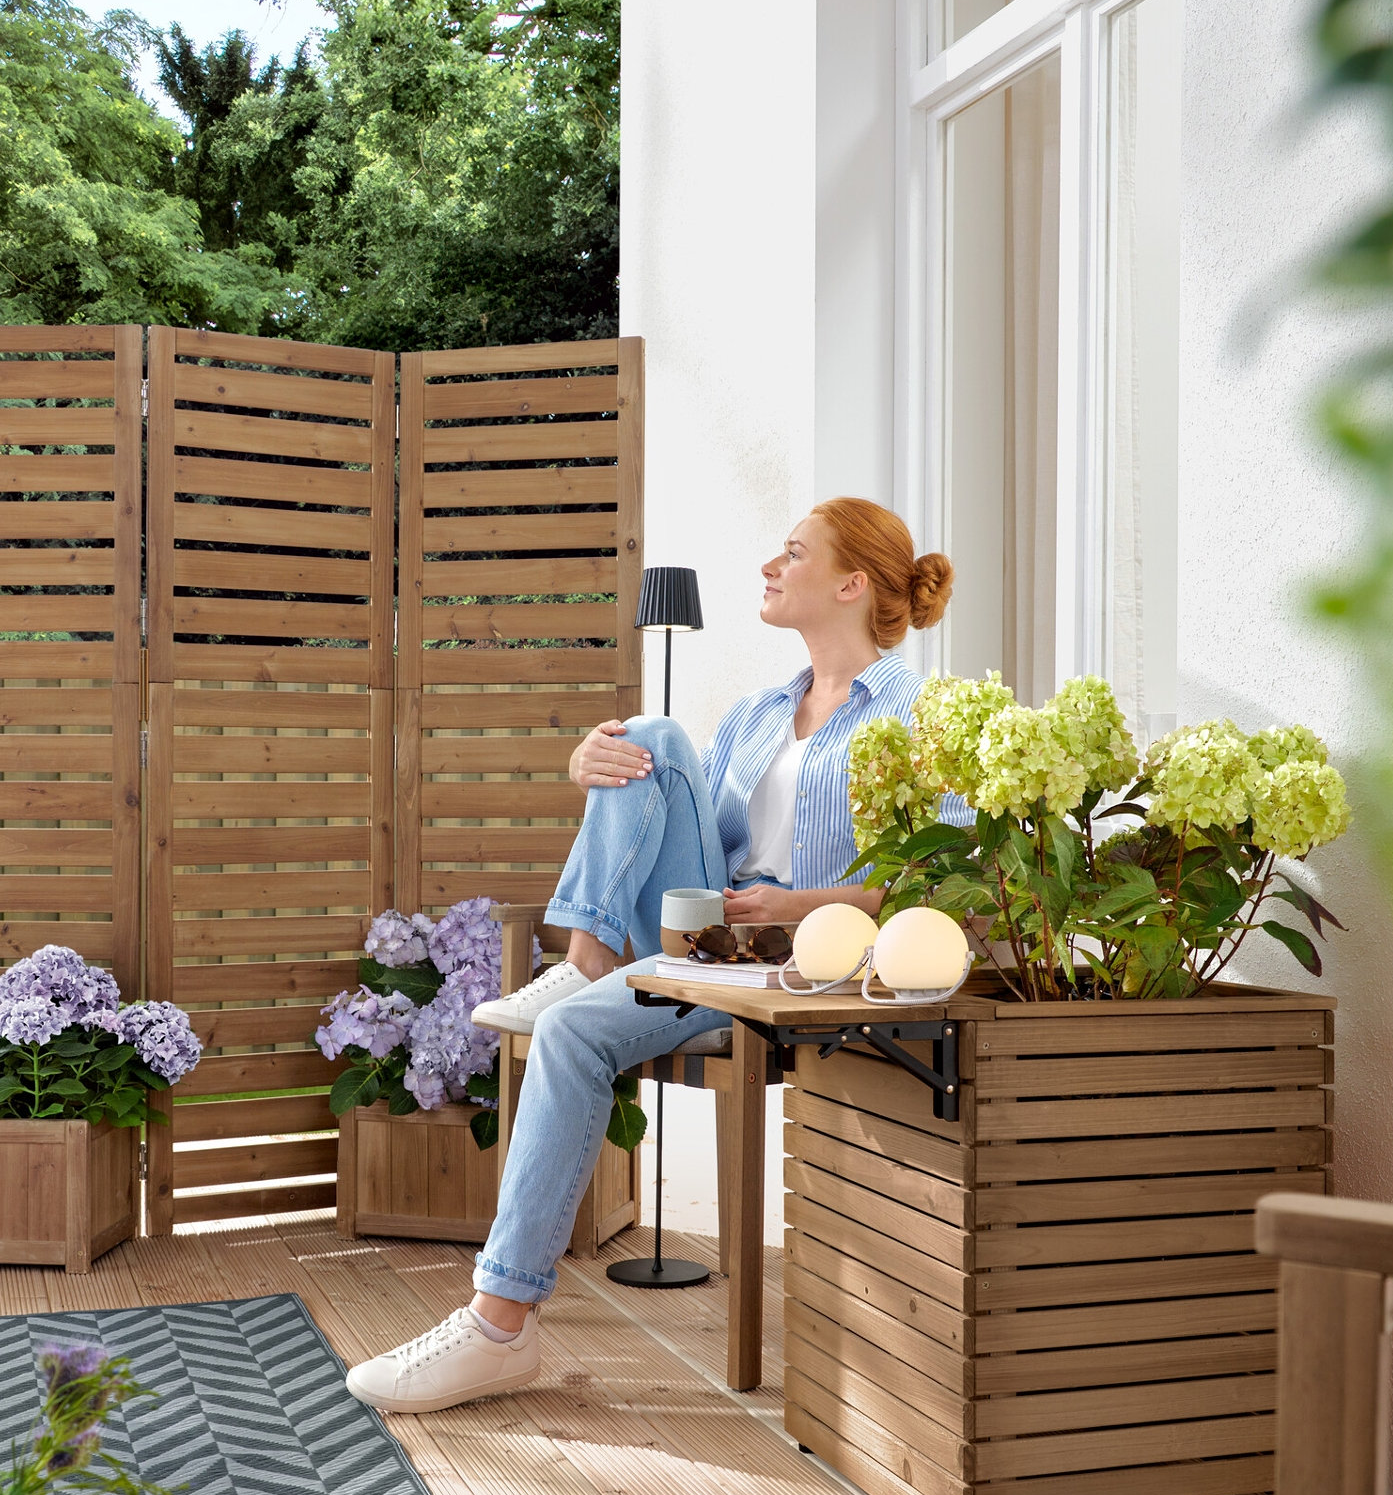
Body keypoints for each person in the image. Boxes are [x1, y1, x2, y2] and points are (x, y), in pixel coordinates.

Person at [343, 496, 956, 1416]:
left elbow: (943, 888)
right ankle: (588, 957)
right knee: (650, 738)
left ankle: (498, 1327)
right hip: (708, 941)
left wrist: (801, 903)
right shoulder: (757, 714)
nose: (770, 567)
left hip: (805, 962)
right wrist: (588, 766)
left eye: (793, 553)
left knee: (569, 1034)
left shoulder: (921, 715)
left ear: (851, 584)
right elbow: (660, 820)